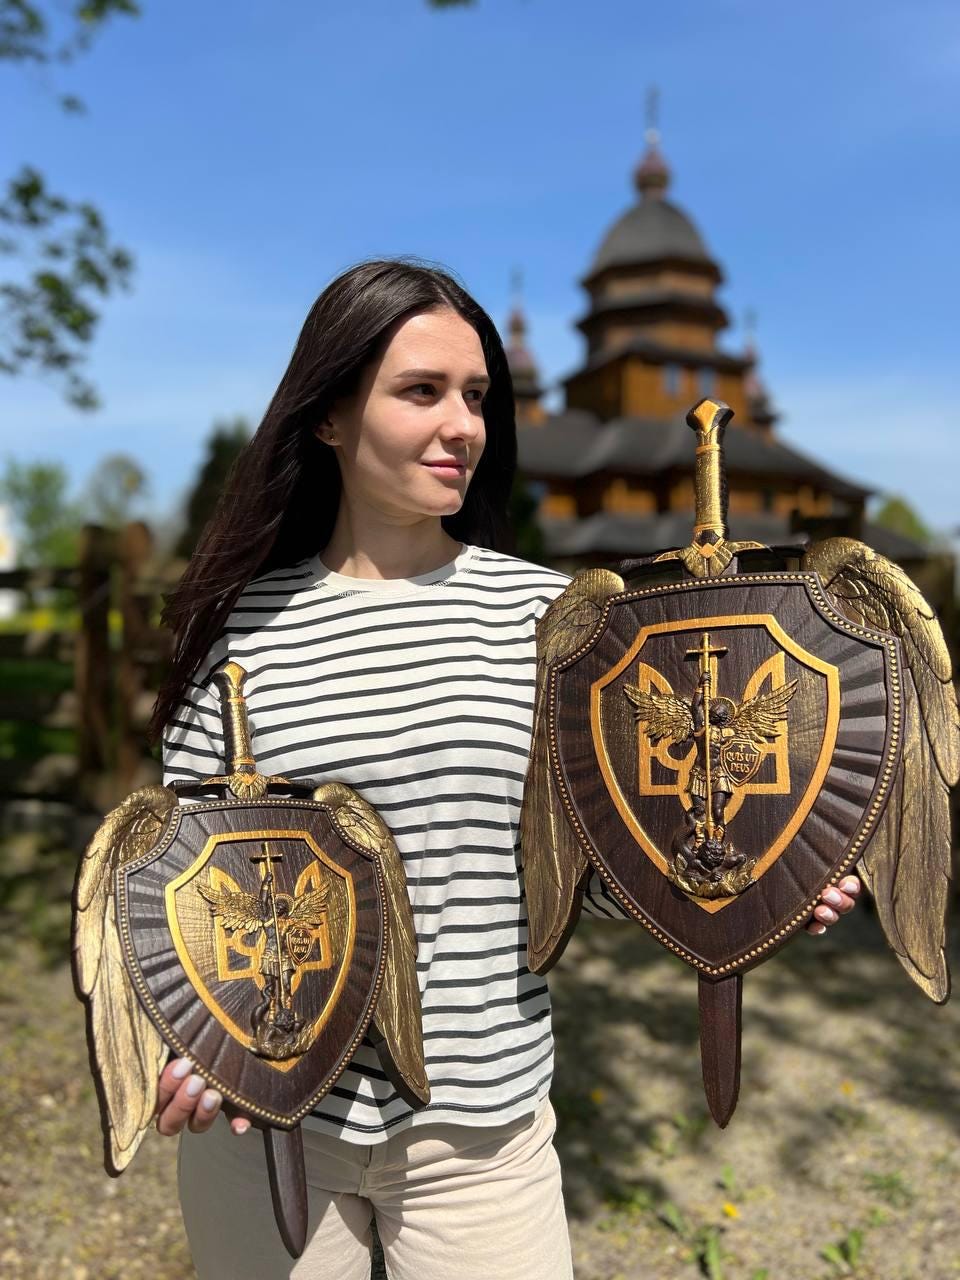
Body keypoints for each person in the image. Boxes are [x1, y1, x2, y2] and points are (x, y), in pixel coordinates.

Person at [150, 258, 860, 1280]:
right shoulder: (240, 627)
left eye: (478, 395)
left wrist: (755, 880)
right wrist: (185, 1039)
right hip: (268, 1123)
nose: (464, 426)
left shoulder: (558, 620)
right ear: (329, 416)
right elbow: (182, 880)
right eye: (422, 391)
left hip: (478, 1137)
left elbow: (588, 867)